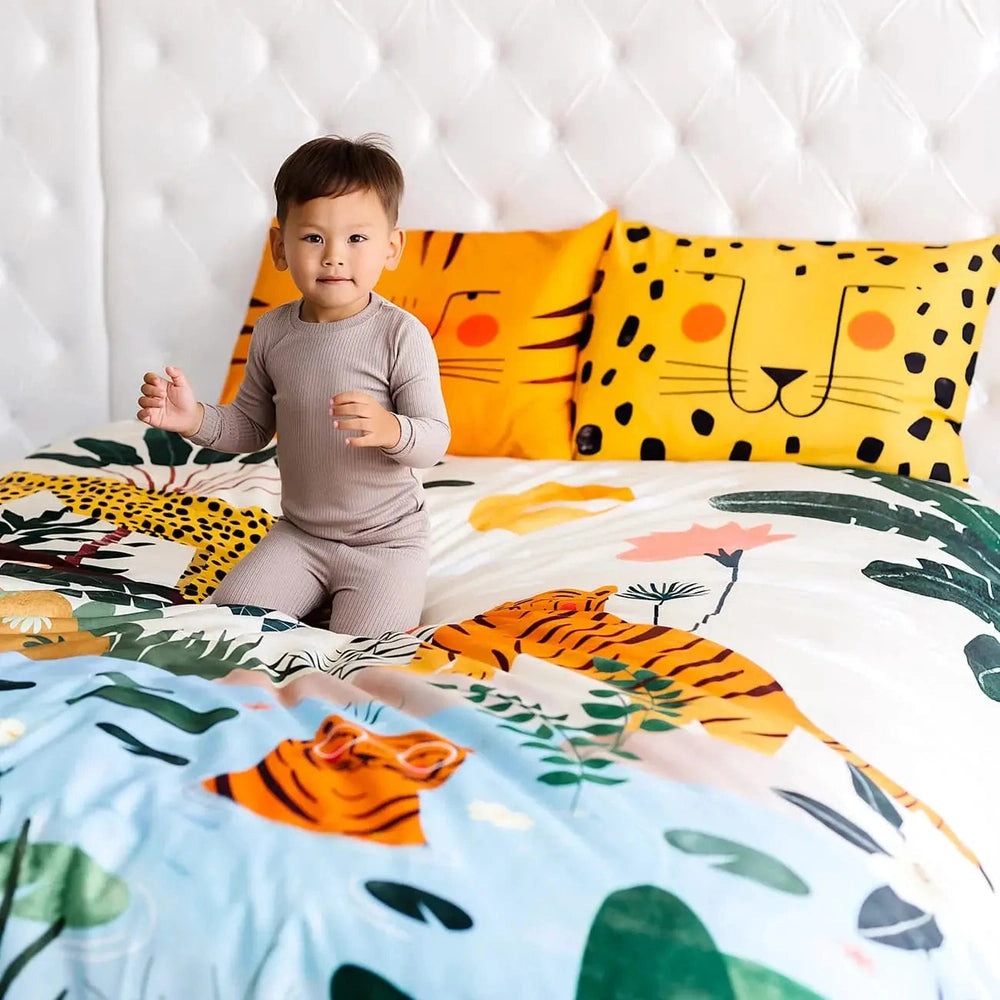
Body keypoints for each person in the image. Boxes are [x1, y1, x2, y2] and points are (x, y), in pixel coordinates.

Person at [136, 134, 450, 635]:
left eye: (357, 238)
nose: (333, 256)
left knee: (359, 654)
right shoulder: (275, 330)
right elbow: (251, 427)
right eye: (313, 238)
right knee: (225, 626)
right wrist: (194, 419)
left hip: (386, 543)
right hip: (300, 534)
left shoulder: (400, 334)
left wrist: (393, 429)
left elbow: (434, 440)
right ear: (280, 247)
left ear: (392, 248)